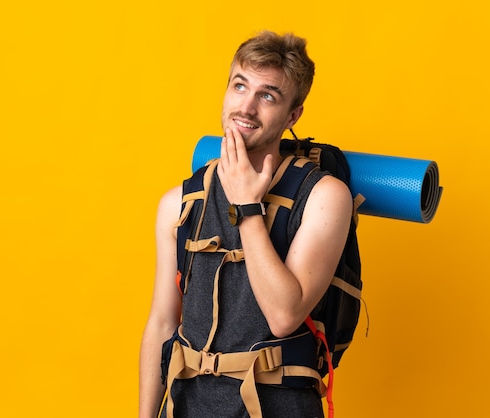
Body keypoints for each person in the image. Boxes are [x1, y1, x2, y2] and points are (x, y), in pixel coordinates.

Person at [139, 30, 353, 417]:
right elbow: (162, 322)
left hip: (279, 406)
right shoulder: (179, 203)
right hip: (189, 406)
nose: (246, 107)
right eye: (240, 86)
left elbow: (284, 316)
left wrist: (246, 206)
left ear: (293, 115)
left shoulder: (324, 197)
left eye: (267, 95)